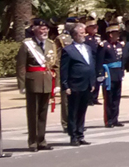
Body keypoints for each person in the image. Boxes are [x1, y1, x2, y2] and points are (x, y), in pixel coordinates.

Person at [16, 18, 58, 151]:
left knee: (43, 113)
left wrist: (56, 83)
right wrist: (22, 85)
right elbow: (21, 66)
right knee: (33, 113)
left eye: (46, 29)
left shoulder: (51, 44)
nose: (44, 31)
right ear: (34, 30)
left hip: (47, 81)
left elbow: (55, 66)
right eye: (41, 28)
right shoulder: (27, 44)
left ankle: (42, 140)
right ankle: (33, 142)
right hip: (32, 82)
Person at [60, 23, 95, 146]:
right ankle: (73, 135)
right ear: (74, 35)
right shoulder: (68, 50)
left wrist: (92, 82)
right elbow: (64, 70)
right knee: (73, 111)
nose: (83, 35)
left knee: (82, 110)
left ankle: (80, 134)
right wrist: (65, 85)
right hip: (74, 84)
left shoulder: (87, 48)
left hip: (86, 84)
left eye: (84, 32)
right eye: (81, 33)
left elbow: (91, 65)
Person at [97, 25, 126, 127]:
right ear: (110, 34)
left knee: (116, 98)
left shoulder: (119, 45)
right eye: (115, 34)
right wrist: (100, 74)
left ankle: (115, 119)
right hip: (108, 74)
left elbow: (121, 59)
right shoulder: (104, 45)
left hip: (117, 74)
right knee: (108, 98)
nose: (117, 36)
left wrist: (122, 71)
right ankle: (108, 120)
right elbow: (100, 60)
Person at [55, 20, 74, 133]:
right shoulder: (61, 39)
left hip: (77, 72)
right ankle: (66, 123)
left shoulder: (79, 38)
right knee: (66, 100)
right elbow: (57, 59)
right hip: (65, 71)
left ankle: (75, 122)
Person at [85, 19, 102, 106]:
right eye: (93, 27)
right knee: (90, 80)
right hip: (90, 59)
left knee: (97, 79)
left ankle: (95, 97)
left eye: (96, 27)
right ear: (88, 28)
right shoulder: (86, 38)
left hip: (97, 60)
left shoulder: (98, 37)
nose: (95, 28)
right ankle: (89, 99)